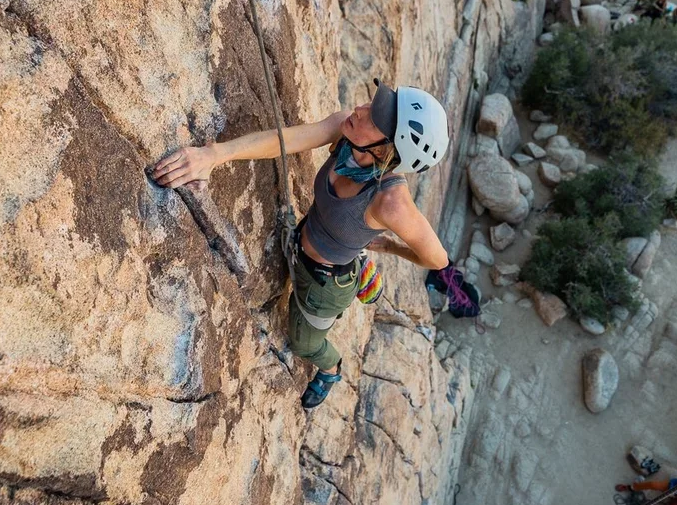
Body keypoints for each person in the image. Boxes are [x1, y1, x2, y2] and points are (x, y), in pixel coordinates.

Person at [152, 79, 479, 409]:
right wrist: (215, 155)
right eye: (372, 103)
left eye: (373, 116)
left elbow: (437, 260)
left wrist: (392, 247)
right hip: (308, 239)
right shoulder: (346, 130)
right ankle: (362, 267)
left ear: (383, 150)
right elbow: (286, 140)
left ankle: (331, 368)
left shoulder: (391, 203)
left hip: (324, 286)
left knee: (304, 344)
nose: (361, 109)